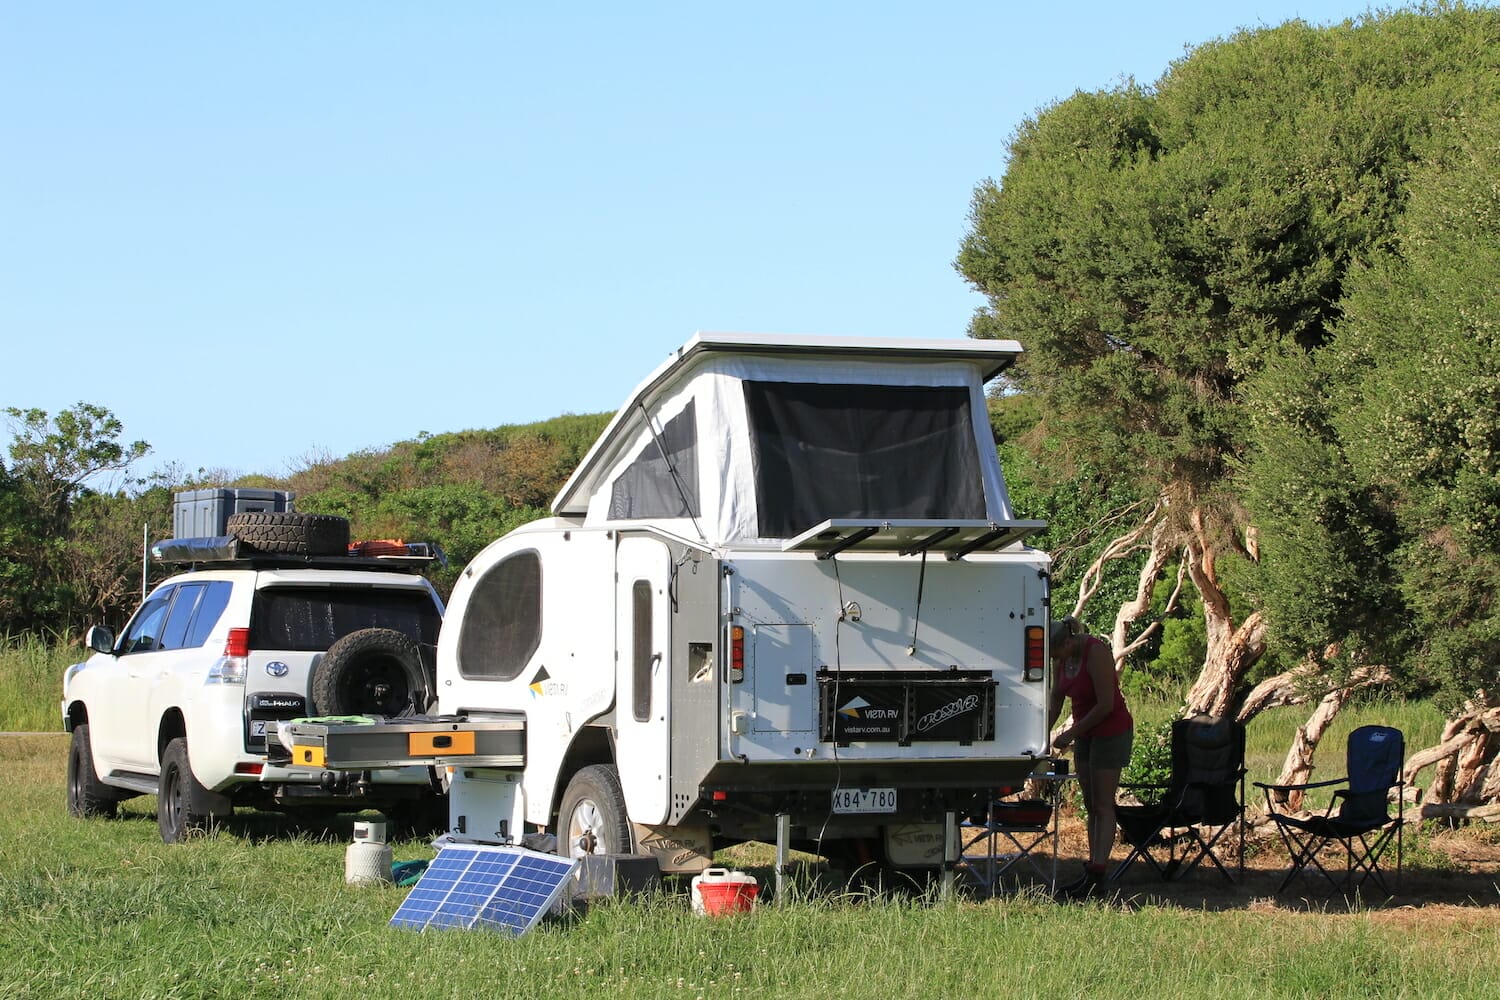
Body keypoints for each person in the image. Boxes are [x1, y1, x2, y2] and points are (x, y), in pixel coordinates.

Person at [1047, 615, 1133, 898]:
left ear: (1067, 643)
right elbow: (1056, 700)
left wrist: (1070, 733)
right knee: (1089, 803)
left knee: (1102, 802)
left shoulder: (1095, 652)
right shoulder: (1061, 659)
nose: (1053, 659)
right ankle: (1092, 867)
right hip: (1085, 733)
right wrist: (1041, 736)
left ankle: (1099, 872)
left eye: (1055, 653)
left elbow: (1106, 705)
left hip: (1111, 730)